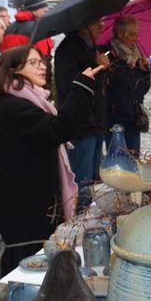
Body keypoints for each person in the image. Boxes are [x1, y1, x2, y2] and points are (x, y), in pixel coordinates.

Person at [0, 45, 103, 275]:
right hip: (24, 212)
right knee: (30, 271)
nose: (42, 67)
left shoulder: (27, 103)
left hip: (32, 206)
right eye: (34, 63)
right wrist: (81, 86)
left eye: (43, 61)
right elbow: (59, 129)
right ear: (14, 70)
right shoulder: (13, 108)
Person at [54, 19, 111, 211]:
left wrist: (103, 67)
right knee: (81, 179)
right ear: (82, 25)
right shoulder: (67, 50)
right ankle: (77, 220)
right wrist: (94, 65)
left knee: (94, 178)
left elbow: (99, 86)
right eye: (96, 23)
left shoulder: (93, 47)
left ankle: (88, 216)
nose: (101, 26)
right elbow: (71, 85)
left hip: (96, 121)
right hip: (81, 125)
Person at [105, 16, 151, 155]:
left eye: (137, 34)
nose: (135, 38)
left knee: (134, 161)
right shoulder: (109, 57)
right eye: (132, 34)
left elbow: (142, 91)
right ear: (119, 34)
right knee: (117, 161)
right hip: (115, 119)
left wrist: (145, 72)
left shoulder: (136, 58)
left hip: (134, 118)